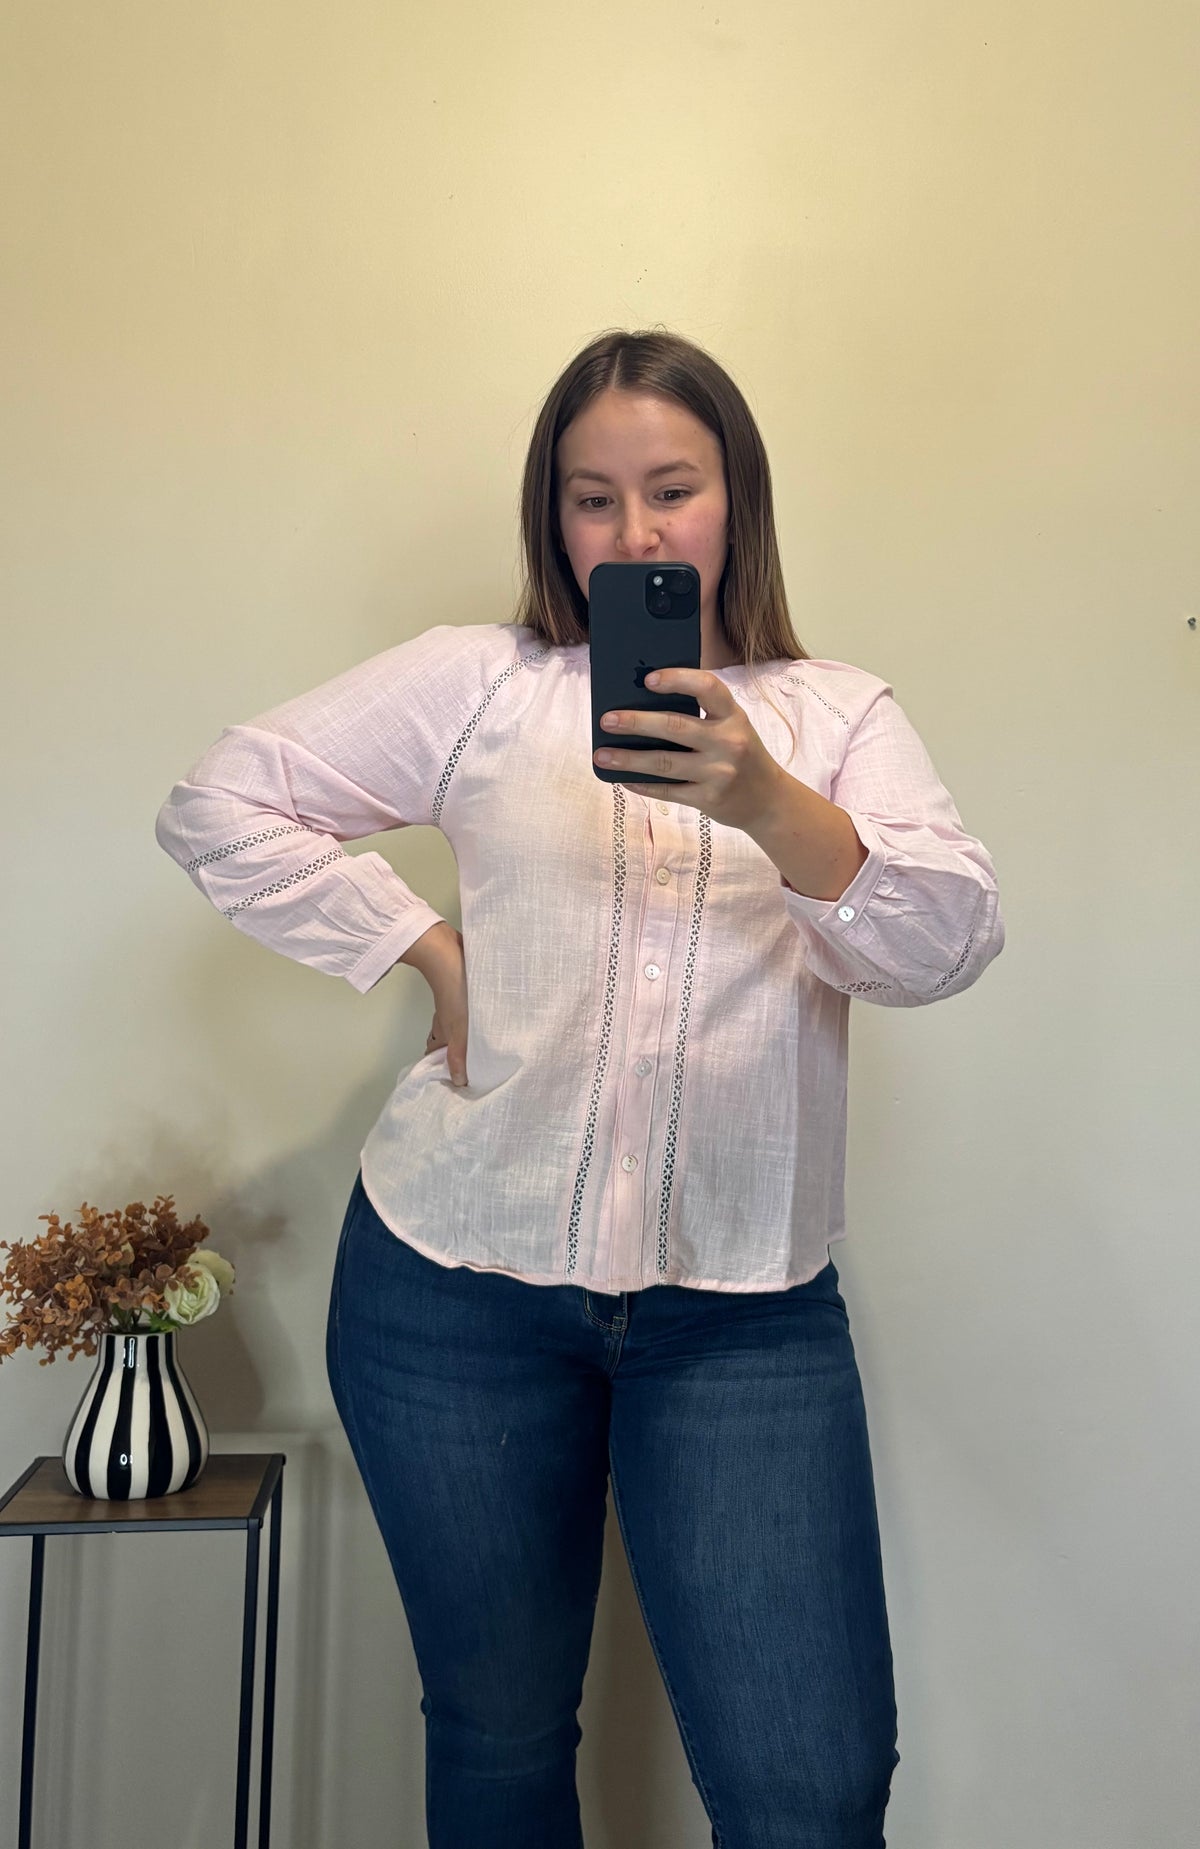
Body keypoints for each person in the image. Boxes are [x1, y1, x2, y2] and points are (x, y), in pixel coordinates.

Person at [156, 327, 1005, 1848]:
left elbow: (944, 943)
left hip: (740, 1315)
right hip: (449, 1292)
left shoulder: (836, 718)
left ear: (738, 498)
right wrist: (425, 951)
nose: (636, 534)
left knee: (809, 1789)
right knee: (497, 1737)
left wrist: (768, 802)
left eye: (673, 490)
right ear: (551, 515)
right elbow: (220, 800)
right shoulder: (483, 685)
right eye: (592, 498)